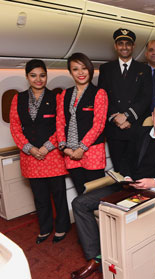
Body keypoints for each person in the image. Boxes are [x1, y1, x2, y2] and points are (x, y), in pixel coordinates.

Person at [71, 101, 155, 279]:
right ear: (152, 117)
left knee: (119, 214)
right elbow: (125, 160)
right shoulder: (139, 133)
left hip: (152, 193)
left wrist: (153, 182)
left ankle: (116, 261)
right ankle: (95, 259)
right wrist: (126, 176)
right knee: (79, 203)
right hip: (127, 186)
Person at [10, 59, 70, 244]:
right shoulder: (18, 98)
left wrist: (46, 147)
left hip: (52, 155)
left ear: (46, 76)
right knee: (40, 195)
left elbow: (61, 126)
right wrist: (30, 148)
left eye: (42, 75)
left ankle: (62, 227)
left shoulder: (56, 97)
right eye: (33, 75)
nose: (38, 79)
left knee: (58, 194)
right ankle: (45, 228)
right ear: (27, 77)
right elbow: (15, 127)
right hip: (30, 156)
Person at [98, 28, 152, 172]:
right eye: (120, 43)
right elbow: (102, 98)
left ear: (133, 46)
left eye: (128, 44)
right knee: (118, 170)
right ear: (115, 46)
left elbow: (146, 97)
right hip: (114, 128)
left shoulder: (144, 69)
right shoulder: (106, 69)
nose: (124, 47)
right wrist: (116, 117)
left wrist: (127, 116)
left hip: (134, 126)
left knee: (136, 168)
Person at [56, 53, 108, 195]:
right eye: (75, 69)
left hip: (92, 152)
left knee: (97, 195)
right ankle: (85, 218)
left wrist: (82, 148)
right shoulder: (65, 94)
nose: (80, 73)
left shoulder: (99, 93)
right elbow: (60, 122)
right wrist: (63, 146)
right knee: (81, 194)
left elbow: (98, 125)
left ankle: (98, 218)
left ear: (90, 69)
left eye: (84, 68)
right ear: (70, 72)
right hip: (70, 153)